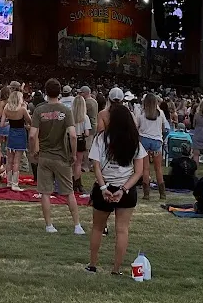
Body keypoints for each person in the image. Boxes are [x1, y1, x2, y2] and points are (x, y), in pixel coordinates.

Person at [86, 104, 146, 275]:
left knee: (97, 227)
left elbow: (96, 166)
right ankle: (116, 269)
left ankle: (92, 265)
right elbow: (139, 171)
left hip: (103, 187)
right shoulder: (134, 140)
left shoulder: (101, 138)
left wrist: (104, 187)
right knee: (122, 229)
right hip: (126, 189)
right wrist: (124, 189)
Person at [29, 78, 84, 235]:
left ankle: (49, 225)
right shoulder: (66, 111)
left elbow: (33, 135)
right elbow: (73, 135)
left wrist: (33, 151)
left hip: (45, 156)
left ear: (46, 92)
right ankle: (77, 225)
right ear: (59, 92)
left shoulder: (39, 110)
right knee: (69, 192)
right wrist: (73, 154)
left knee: (45, 192)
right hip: (61, 156)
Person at [136, 93, 169, 200]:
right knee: (158, 168)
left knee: (145, 169)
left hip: (144, 140)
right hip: (157, 141)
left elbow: (137, 127)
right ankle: (162, 193)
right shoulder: (161, 114)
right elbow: (164, 128)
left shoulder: (141, 113)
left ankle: (146, 194)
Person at [0, 89, 31, 192]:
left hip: (11, 133)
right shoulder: (22, 109)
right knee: (17, 161)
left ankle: (9, 182)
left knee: (9, 160)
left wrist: (10, 123)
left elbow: (2, 124)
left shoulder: (6, 108)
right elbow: (30, 121)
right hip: (21, 134)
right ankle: (15, 184)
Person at [71, 93, 90, 194]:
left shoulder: (70, 115)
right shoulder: (85, 117)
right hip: (80, 140)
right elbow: (87, 133)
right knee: (78, 163)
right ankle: (77, 184)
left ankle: (70, 182)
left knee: (71, 163)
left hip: (71, 140)